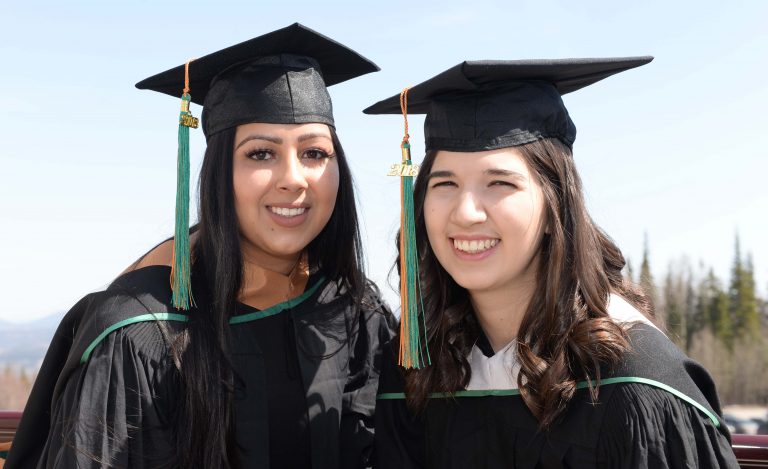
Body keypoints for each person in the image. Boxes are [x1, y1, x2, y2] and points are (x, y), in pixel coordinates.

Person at [6, 23, 395, 469]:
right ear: (216, 173)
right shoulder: (142, 332)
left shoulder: (352, 308)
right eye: (261, 153)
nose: (294, 178)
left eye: (315, 153)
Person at [364, 58, 739, 468]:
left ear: (554, 205)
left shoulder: (632, 380)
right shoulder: (417, 371)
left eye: (500, 183)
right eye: (445, 183)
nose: (466, 211)